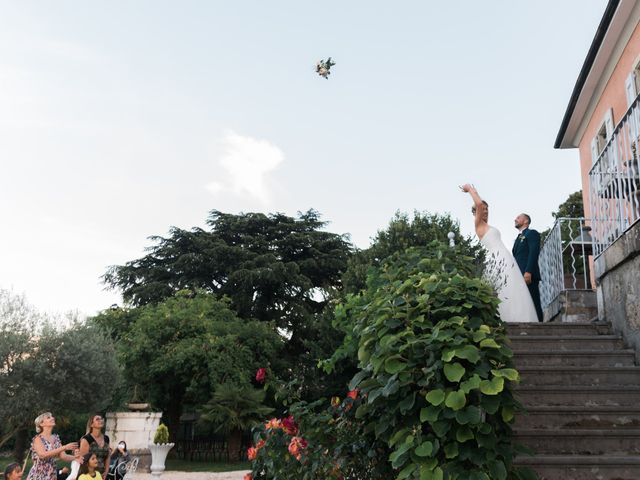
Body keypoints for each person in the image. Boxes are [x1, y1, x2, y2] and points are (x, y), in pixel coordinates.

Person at [461, 184, 538, 323]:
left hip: (506, 259)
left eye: (487, 209)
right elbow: (478, 203)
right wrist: (470, 190)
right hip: (497, 260)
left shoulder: (487, 226)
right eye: (482, 210)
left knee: (514, 289)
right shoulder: (478, 225)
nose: (485, 211)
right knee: (501, 290)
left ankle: (520, 318)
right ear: (476, 212)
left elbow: (479, 205)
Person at [26, 412, 80, 480]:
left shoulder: (56, 438)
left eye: (52, 416)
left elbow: (63, 456)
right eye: (49, 417)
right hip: (38, 475)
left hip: (51, 475)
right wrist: (64, 447)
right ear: (41, 424)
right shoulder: (38, 439)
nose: (53, 418)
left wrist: (76, 458)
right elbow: (43, 455)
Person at [513, 213, 544, 322]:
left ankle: (540, 326)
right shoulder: (518, 238)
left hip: (528, 275)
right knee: (523, 303)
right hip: (518, 276)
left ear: (526, 221)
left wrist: (528, 271)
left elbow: (533, 253)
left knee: (533, 301)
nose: (515, 219)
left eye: (518, 218)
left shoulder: (532, 233)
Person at [79, 415, 110, 480]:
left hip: (103, 475)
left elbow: (108, 457)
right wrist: (92, 475)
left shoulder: (106, 438)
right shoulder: (86, 439)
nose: (100, 420)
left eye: (101, 419)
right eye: (97, 419)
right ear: (91, 424)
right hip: (89, 475)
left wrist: (106, 471)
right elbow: (83, 460)